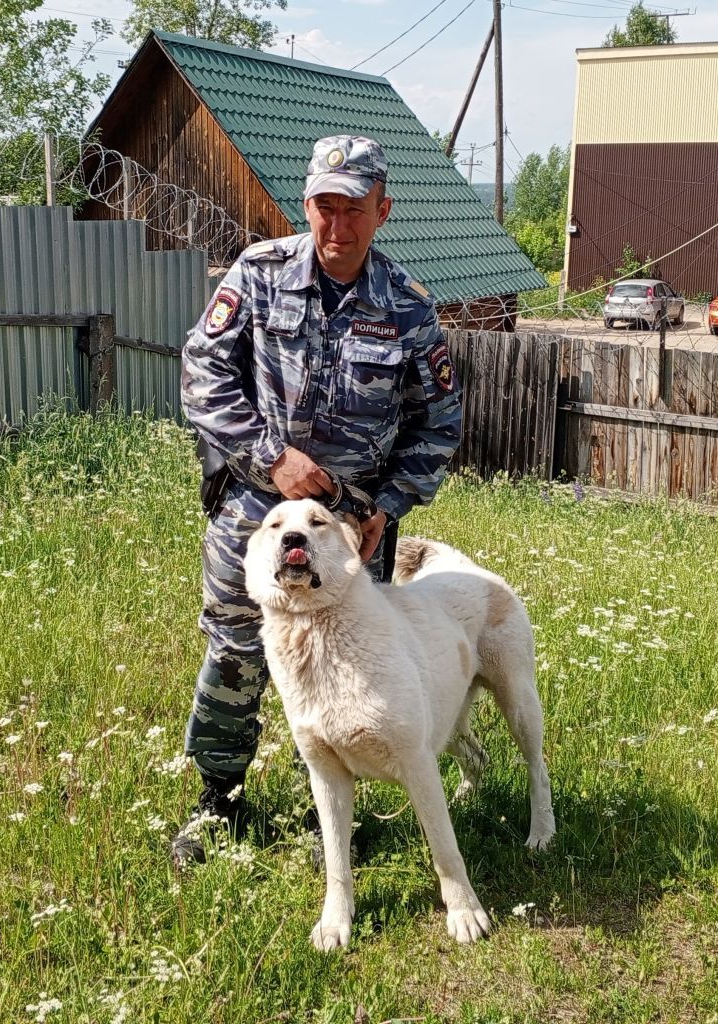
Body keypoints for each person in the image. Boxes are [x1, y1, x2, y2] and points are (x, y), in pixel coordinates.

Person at [173, 134, 463, 866]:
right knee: (237, 653)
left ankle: (328, 814)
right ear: (305, 205)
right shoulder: (260, 273)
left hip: (352, 530)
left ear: (382, 210)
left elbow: (440, 424)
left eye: (353, 209)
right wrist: (270, 458)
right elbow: (205, 372)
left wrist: (386, 508)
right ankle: (218, 803)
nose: (337, 226)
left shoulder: (405, 308)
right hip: (256, 513)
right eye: (323, 208)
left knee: (353, 666)